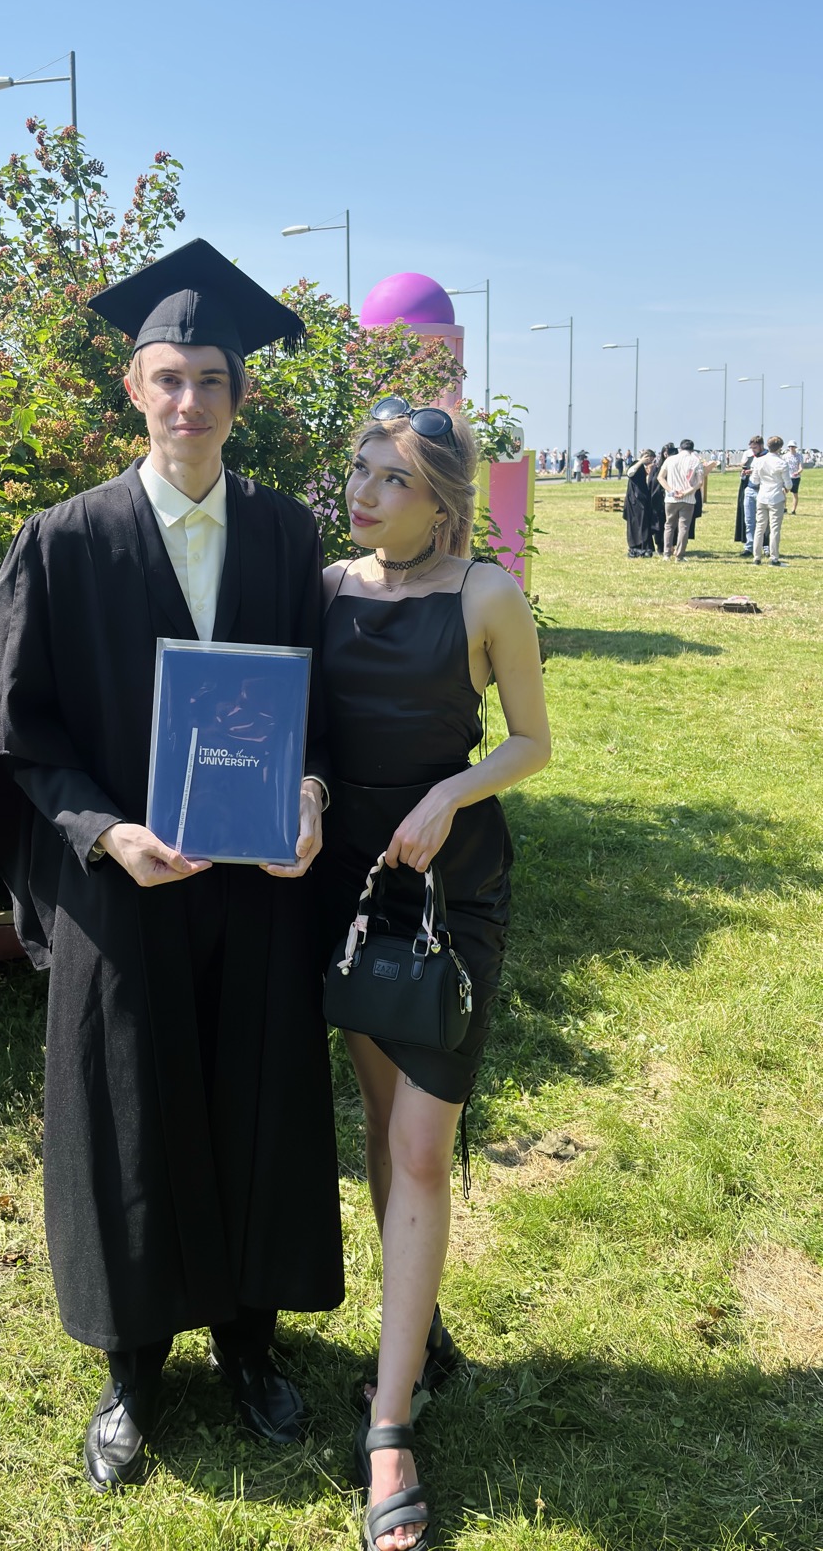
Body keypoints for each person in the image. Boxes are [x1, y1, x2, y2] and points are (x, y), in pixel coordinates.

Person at [0, 240, 344, 1491]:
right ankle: (134, 1368)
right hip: (124, 887)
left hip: (256, 891)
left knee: (255, 1096)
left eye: (213, 382)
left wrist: (308, 797)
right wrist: (103, 834)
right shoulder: (63, 543)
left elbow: (323, 717)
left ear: (242, 399)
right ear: (133, 387)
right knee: (128, 1111)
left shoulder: (290, 541)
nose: (190, 401)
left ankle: (250, 1341)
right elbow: (18, 734)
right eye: (168, 377)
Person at [317, 399, 550, 1551]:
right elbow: (304, 725)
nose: (363, 495)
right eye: (359, 472)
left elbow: (530, 742)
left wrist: (449, 791)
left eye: (391, 480)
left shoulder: (486, 595)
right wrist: (309, 788)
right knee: (378, 1121)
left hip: (454, 891)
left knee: (420, 1145)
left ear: (444, 500)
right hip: (351, 886)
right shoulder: (327, 586)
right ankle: (420, 1323)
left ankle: (390, 1424)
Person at [657, 439, 716, 561]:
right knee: (683, 527)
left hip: (671, 498)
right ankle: (679, 555)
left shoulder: (670, 459)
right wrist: (686, 492)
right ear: (692, 449)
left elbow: (660, 477)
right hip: (688, 499)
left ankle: (666, 554)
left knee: (669, 526)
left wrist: (671, 490)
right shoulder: (696, 461)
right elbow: (699, 482)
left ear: (680, 448)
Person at [751, 434, 792, 567]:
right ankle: (774, 558)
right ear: (780, 448)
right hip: (776, 498)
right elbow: (789, 485)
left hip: (762, 496)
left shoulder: (759, 461)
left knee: (759, 528)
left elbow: (754, 480)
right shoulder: (781, 463)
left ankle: (756, 557)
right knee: (774, 529)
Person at [622, 448, 658, 556]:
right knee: (637, 522)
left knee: (643, 522)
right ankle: (637, 545)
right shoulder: (636, 464)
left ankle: (645, 545)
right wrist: (641, 462)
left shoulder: (643, 467)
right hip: (635, 500)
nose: (651, 462)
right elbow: (630, 473)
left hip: (641, 498)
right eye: (650, 459)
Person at [735, 435, 765, 554]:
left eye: (755, 448)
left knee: (763, 521)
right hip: (749, 489)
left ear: (761, 446)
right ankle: (749, 546)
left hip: (762, 491)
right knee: (749, 520)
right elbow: (742, 475)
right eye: (752, 448)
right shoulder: (750, 457)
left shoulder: (766, 457)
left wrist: (755, 472)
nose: (753, 450)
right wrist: (744, 474)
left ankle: (765, 546)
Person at [786, 441, 803, 513]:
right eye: (790, 446)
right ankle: (784, 508)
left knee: (794, 493)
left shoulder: (799, 456)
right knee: (783, 492)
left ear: (795, 447)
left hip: (795, 478)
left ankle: (793, 510)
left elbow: (801, 467)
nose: (791, 448)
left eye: (793, 446)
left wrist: (798, 472)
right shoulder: (785, 456)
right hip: (787, 477)